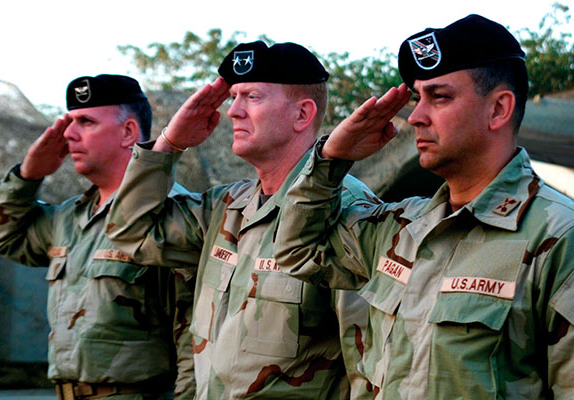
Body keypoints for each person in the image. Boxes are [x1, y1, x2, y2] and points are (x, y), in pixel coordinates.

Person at [273, 14, 574, 399]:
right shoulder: (401, 226)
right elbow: (295, 250)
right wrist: (331, 158)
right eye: (417, 98)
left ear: (498, 109)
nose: (415, 116)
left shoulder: (557, 237)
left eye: (440, 96)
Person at [105, 41, 382, 399]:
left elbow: (369, 369)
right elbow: (130, 233)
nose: (233, 111)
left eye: (251, 96)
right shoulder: (227, 206)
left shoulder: (345, 210)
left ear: (302, 114)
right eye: (232, 97)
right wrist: (169, 143)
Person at [0, 74, 195, 400]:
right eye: (69, 121)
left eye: (85, 121)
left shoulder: (173, 215)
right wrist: (27, 175)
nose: (68, 133)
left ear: (128, 132)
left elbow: (193, 336)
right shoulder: (69, 217)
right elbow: (4, 236)